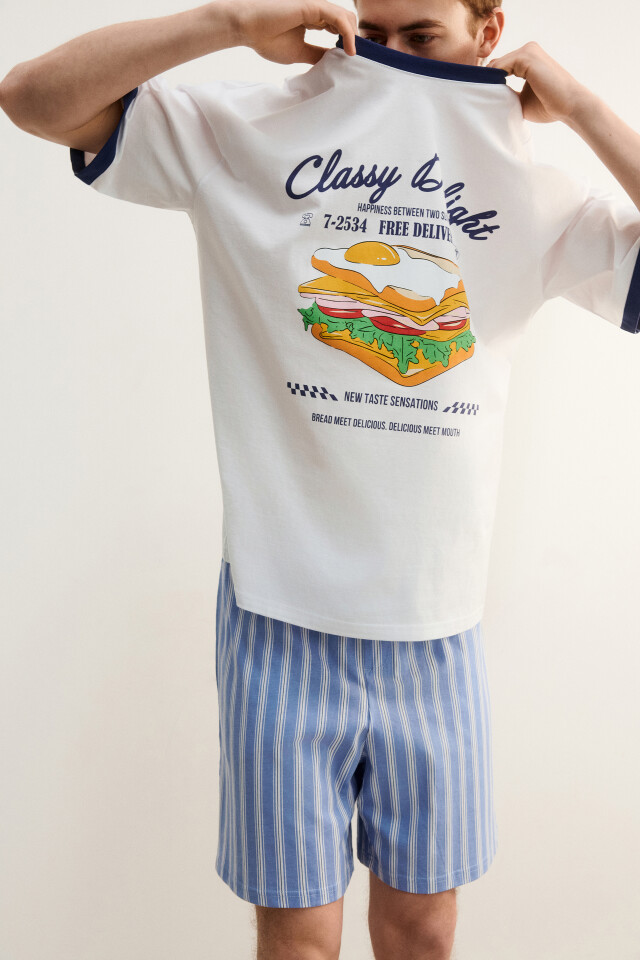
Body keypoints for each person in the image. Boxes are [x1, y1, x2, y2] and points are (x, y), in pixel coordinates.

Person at [2, 2, 640, 959]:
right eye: (371, 34)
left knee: (423, 931)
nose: (390, 60)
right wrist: (227, 21)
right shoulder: (251, 129)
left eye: (421, 38)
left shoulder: (525, 182)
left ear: (488, 32)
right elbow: (30, 98)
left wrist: (582, 104)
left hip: (436, 628)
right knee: (299, 938)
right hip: (278, 616)